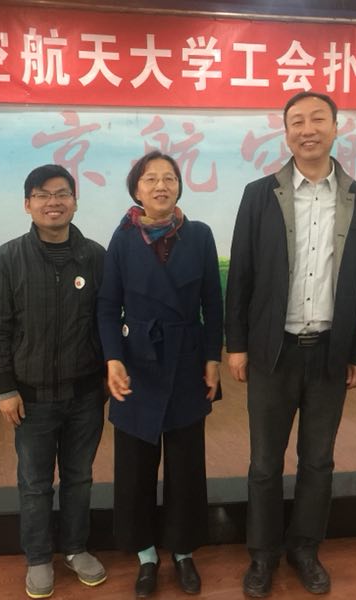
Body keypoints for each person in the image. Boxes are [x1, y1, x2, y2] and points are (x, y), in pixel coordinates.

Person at [225, 91, 356, 597]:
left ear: (336, 127)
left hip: (331, 351)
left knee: (318, 460)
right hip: (274, 350)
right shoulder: (259, 195)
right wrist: (236, 344)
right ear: (286, 131)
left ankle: (305, 549)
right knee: (265, 463)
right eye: (297, 121)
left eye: (317, 119)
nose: (307, 129)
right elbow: (241, 274)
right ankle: (263, 554)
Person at [97, 150, 223, 598]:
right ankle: (146, 555)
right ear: (136, 189)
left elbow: (213, 302)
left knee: (187, 464)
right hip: (137, 362)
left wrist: (212, 358)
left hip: (187, 360)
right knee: (135, 465)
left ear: (179, 187)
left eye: (169, 178)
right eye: (150, 179)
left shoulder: (200, 235)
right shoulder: (122, 239)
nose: (161, 186)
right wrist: (113, 359)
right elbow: (108, 307)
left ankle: (184, 552)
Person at [0, 164, 107, 599]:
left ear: (74, 200)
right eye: (42, 195)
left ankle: (75, 548)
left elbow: (107, 321)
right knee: (35, 483)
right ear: (27, 204)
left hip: (86, 394)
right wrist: (4, 387)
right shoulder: (7, 258)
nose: (53, 202)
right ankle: (38, 557)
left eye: (61, 193)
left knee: (79, 477)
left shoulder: (95, 256)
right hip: (30, 398)